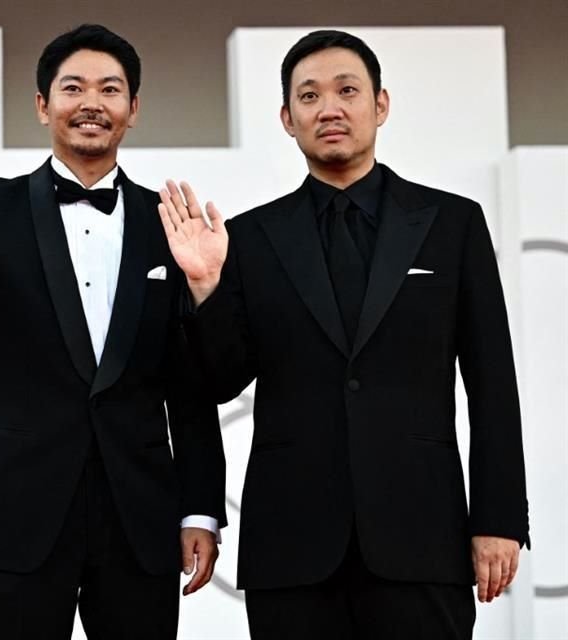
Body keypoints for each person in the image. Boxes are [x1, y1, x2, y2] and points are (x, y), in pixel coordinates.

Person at [157, 29, 529, 640]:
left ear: (380, 105)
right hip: (292, 543)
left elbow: (494, 383)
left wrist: (499, 517)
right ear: (287, 117)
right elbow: (220, 381)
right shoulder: (247, 239)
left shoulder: (452, 223)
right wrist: (205, 289)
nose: (328, 108)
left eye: (347, 90)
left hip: (422, 535)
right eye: (308, 96)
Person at [0, 24, 226, 640]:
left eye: (111, 89)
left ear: (133, 110)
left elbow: (190, 381)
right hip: (19, 514)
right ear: (42, 105)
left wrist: (200, 508)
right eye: (73, 87)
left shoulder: (167, 223)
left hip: (139, 517)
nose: (92, 102)